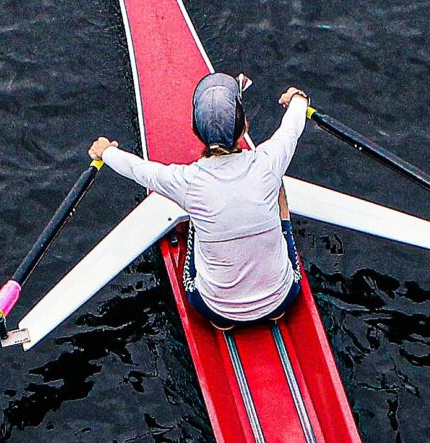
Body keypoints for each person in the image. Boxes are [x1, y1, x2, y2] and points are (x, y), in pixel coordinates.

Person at [89, 76, 311, 327]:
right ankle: (275, 313)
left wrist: (106, 151)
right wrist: (297, 97)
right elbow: (292, 125)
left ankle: (224, 323)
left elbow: (137, 169)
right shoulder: (269, 161)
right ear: (244, 128)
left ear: (196, 132)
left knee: (195, 215)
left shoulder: (186, 181)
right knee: (277, 184)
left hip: (214, 309)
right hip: (284, 298)